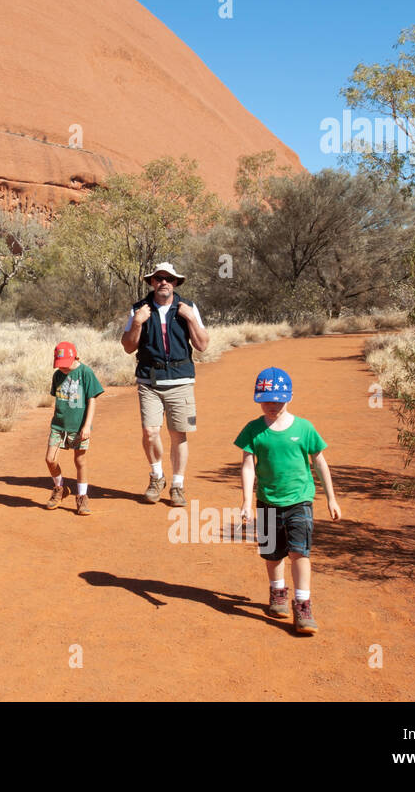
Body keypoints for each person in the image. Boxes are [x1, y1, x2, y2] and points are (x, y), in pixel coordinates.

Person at [234, 367, 342, 635]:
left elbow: (319, 461)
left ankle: (303, 604)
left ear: (289, 397)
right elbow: (248, 466)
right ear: (259, 399)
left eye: (278, 400)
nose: (272, 405)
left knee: (299, 552)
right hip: (268, 501)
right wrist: (247, 501)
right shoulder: (253, 430)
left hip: (299, 501)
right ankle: (277, 592)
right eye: (267, 400)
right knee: (272, 554)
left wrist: (331, 498)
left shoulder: (305, 428)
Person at [120, 262, 208, 507]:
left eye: (168, 278)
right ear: (151, 282)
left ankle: (178, 485)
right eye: (159, 278)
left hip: (181, 380)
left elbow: (202, 345)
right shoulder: (139, 309)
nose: (164, 282)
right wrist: (137, 322)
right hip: (150, 380)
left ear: (176, 282)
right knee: (150, 432)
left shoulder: (188, 307)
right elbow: (128, 346)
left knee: (179, 434)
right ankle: (157, 476)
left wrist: (190, 319)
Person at [44, 341, 104, 516]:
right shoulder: (57, 375)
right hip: (58, 425)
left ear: (76, 357)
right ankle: (59, 488)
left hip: (78, 427)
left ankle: (82, 497)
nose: (63, 369)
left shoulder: (85, 372)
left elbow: (92, 399)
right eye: (60, 365)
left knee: (80, 461)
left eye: (66, 365)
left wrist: (87, 426)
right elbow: (58, 397)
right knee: (50, 459)